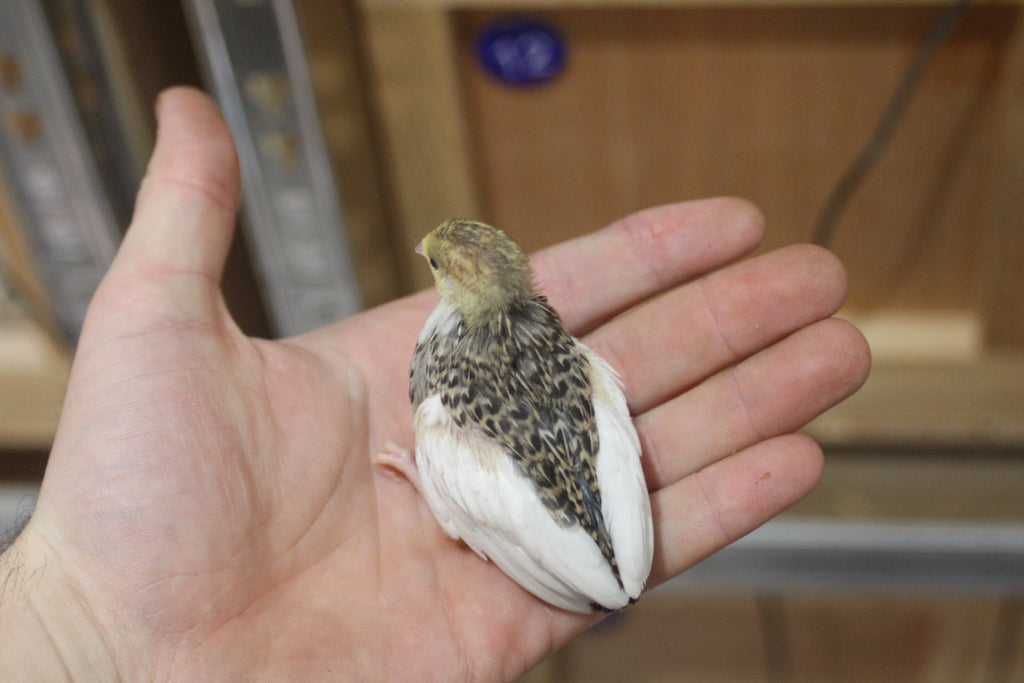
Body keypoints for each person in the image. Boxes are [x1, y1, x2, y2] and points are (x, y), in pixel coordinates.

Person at [0, 87, 869, 680]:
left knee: (462, 470)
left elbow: (480, 508)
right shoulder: (571, 354)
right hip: (591, 531)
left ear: (458, 287)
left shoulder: (455, 405)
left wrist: (70, 641)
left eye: (436, 267)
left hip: (574, 537)